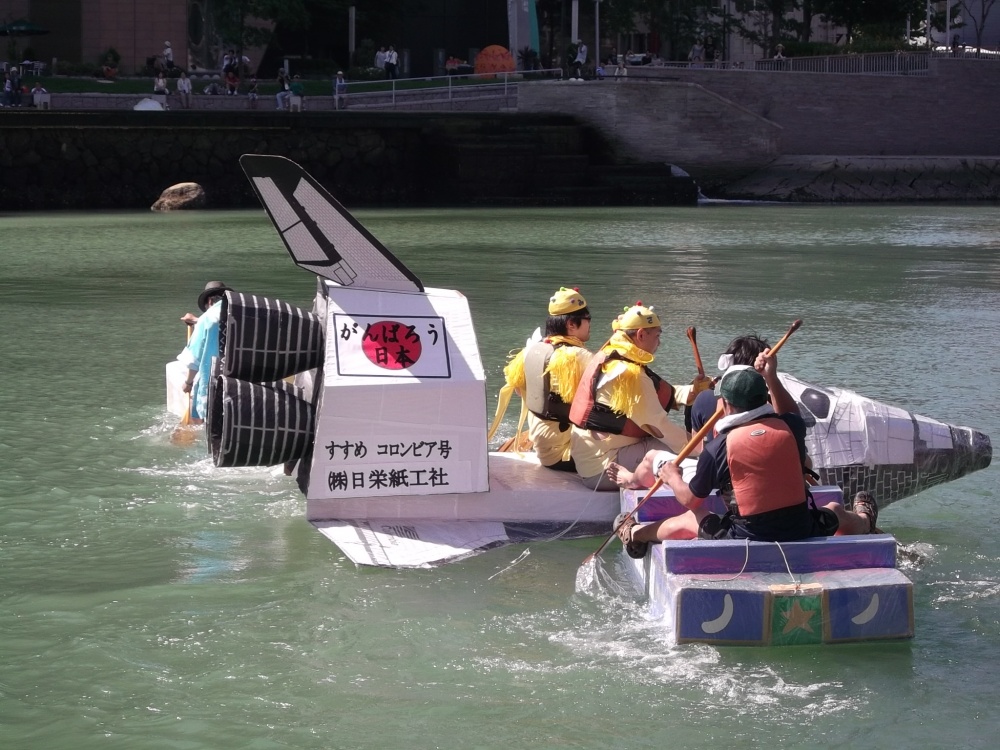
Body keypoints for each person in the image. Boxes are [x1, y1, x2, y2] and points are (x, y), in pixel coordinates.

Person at [613, 362, 879, 558]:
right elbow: (791, 412)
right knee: (833, 509)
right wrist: (771, 376)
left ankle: (636, 535)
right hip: (801, 526)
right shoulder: (790, 426)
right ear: (765, 399)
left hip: (750, 536)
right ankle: (865, 522)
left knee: (693, 518)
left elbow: (691, 500)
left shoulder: (719, 447)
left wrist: (671, 476)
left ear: (725, 405)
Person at [568, 303, 711, 489]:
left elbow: (650, 394)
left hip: (591, 461)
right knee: (683, 455)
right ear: (641, 334)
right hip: (603, 468)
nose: (659, 343)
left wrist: (691, 392)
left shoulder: (612, 356)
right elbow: (661, 428)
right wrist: (704, 449)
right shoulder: (628, 372)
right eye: (657, 336)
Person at [489, 287, 594, 472]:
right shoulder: (578, 356)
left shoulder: (532, 350)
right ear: (571, 324)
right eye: (588, 319)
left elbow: (518, 389)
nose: (590, 324)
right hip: (564, 453)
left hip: (542, 445)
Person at [177, 281, 233, 424]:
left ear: (209, 301)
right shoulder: (241, 315)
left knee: (201, 420)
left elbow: (193, 360)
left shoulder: (206, 319)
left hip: (213, 386)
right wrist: (197, 320)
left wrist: (188, 383)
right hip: (239, 382)